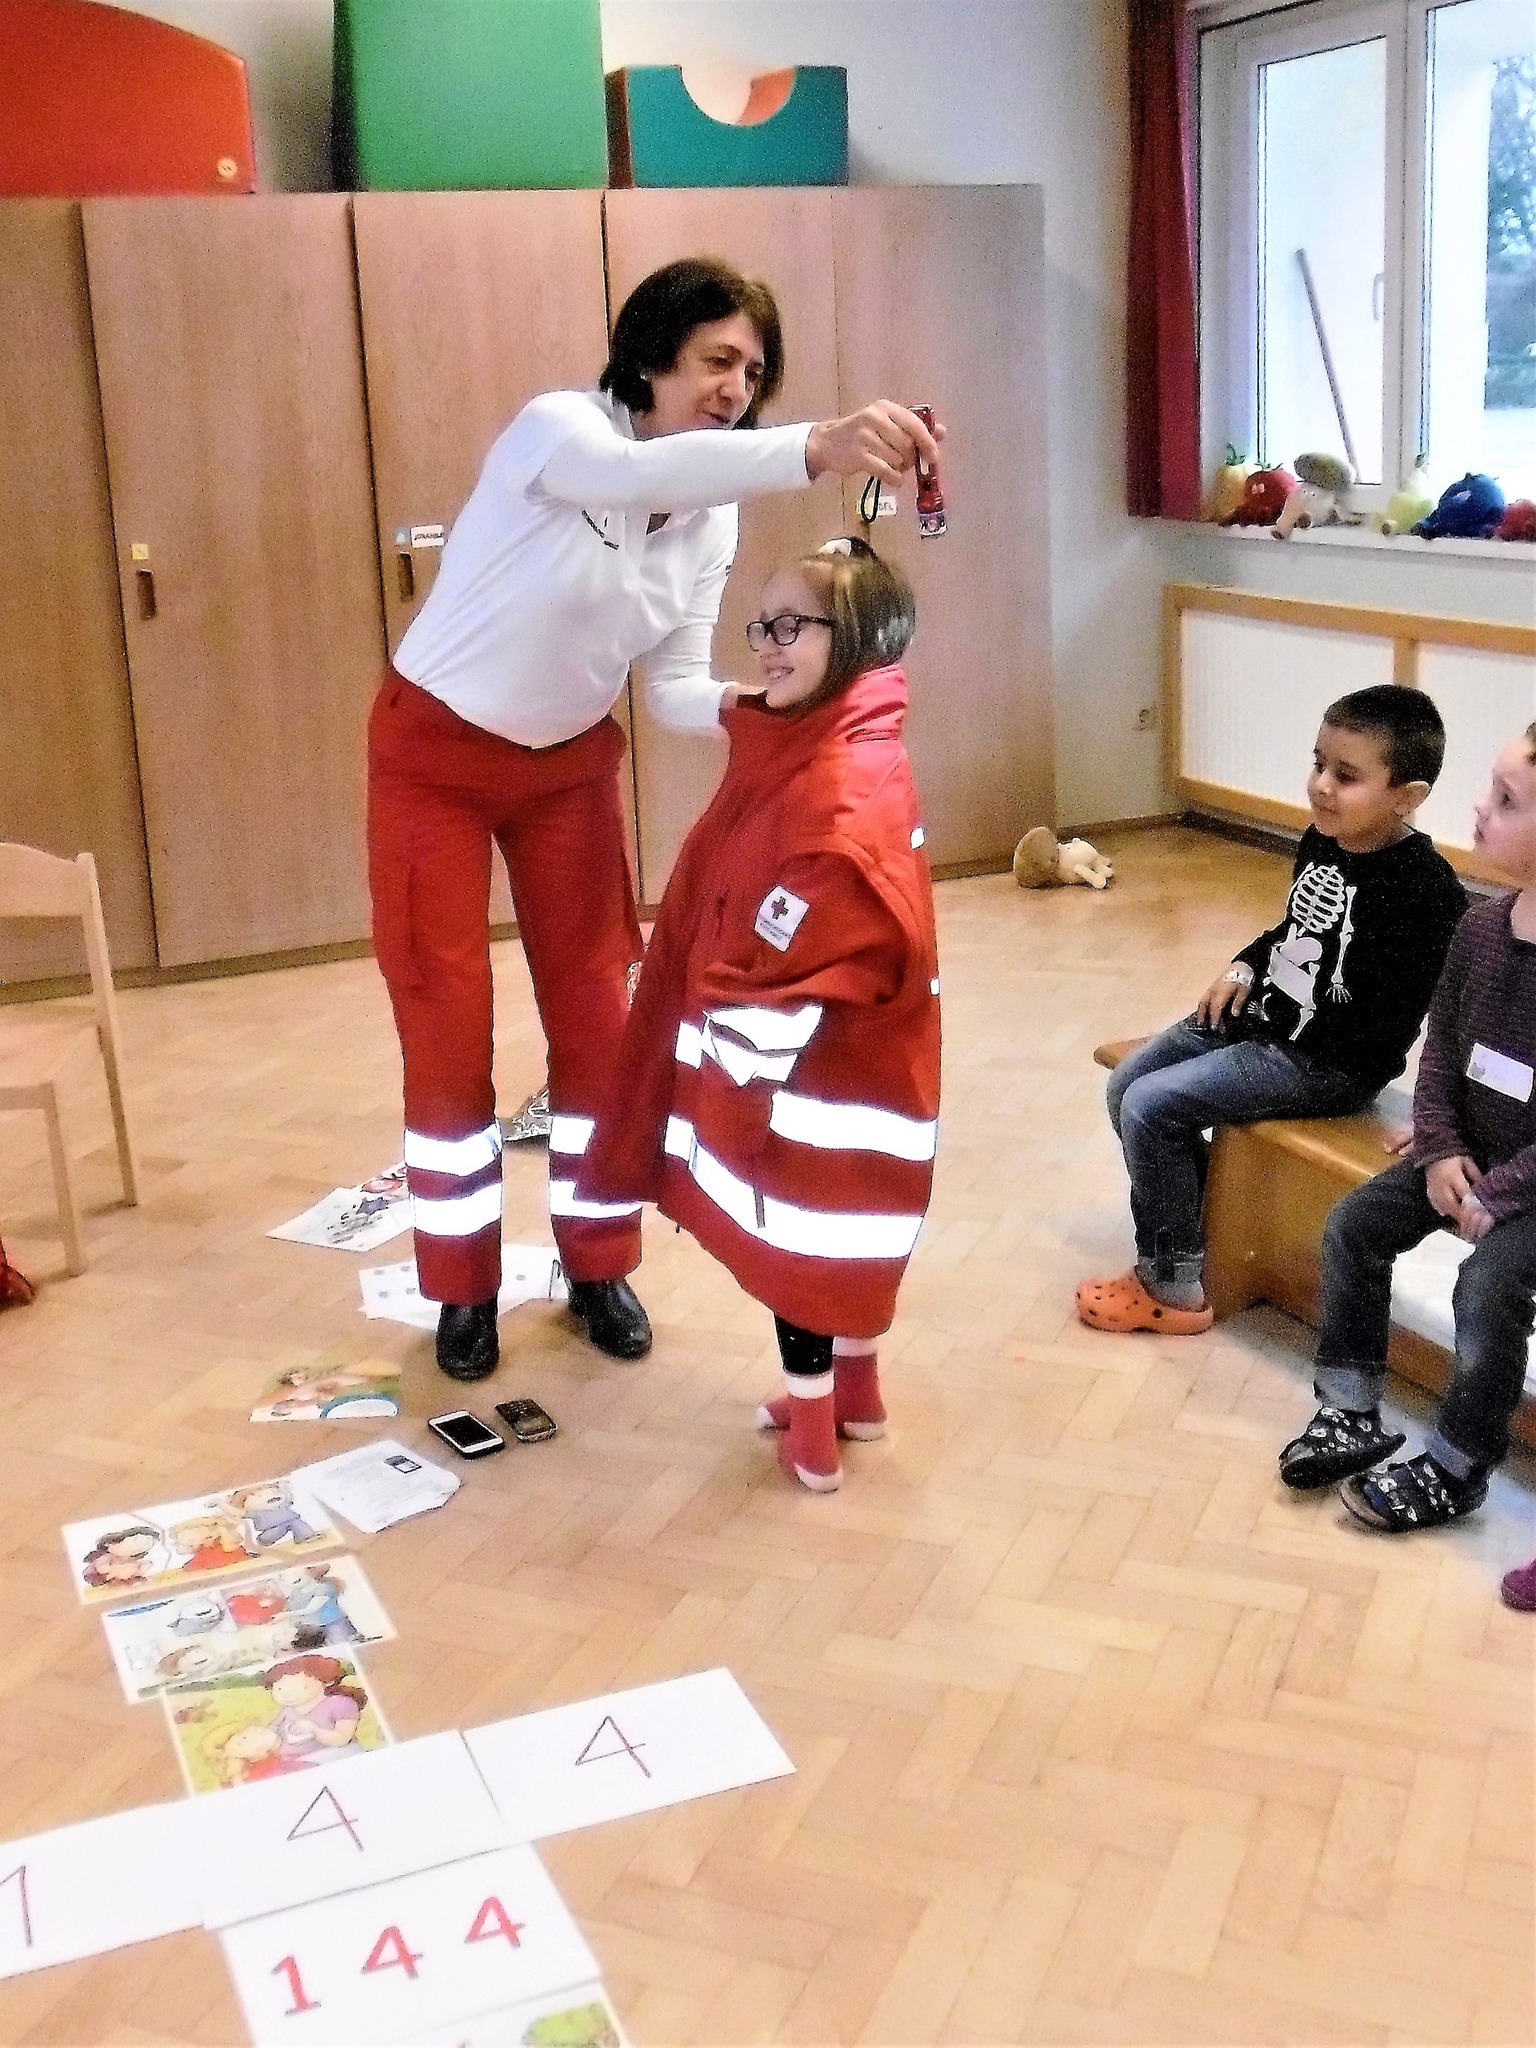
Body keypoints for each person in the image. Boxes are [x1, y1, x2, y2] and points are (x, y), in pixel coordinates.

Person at [369, 256, 943, 1383]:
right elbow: (637, 470)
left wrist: (765, 698)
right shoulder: (558, 431)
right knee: (446, 1021)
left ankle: (595, 1261)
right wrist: (817, 445)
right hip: (430, 756)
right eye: (716, 359)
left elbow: (675, 683)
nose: (736, 385)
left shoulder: (713, 515)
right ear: (649, 356)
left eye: (755, 371)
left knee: (599, 1022)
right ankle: (462, 1287)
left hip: (568, 769)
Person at [576, 537, 939, 1493]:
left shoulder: (832, 799)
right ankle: (857, 1397)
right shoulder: (830, 744)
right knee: (847, 1251)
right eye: (763, 624)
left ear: (853, 639)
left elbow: (786, 977)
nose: (770, 647)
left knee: (803, 1259)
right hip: (865, 1072)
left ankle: (811, 1432)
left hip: (814, 1086)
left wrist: (734, 1100)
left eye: (794, 627)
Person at [1078, 685, 1467, 1335]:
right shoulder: (1324, 840)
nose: (1320, 786)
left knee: (1153, 1107)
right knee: (1126, 1086)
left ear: (1407, 797)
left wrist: (1443, 1109)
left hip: (1323, 1063)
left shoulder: (1428, 894)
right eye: (1318, 764)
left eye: (1346, 776)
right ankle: (1206, 1223)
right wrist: (1243, 965)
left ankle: (1170, 1284)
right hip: (1262, 1023)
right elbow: (1290, 932)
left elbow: (1446, 1011)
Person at [1279, 724, 1536, 1536]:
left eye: (1506, 801)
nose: (1480, 810)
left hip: (1523, 1184)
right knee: (1357, 1224)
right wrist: (1441, 1143)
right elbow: (1440, 1055)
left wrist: (1497, 1188)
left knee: (1489, 1284)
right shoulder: (1481, 930)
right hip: (1466, 1157)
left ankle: (1460, 1463)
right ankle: (1350, 1408)